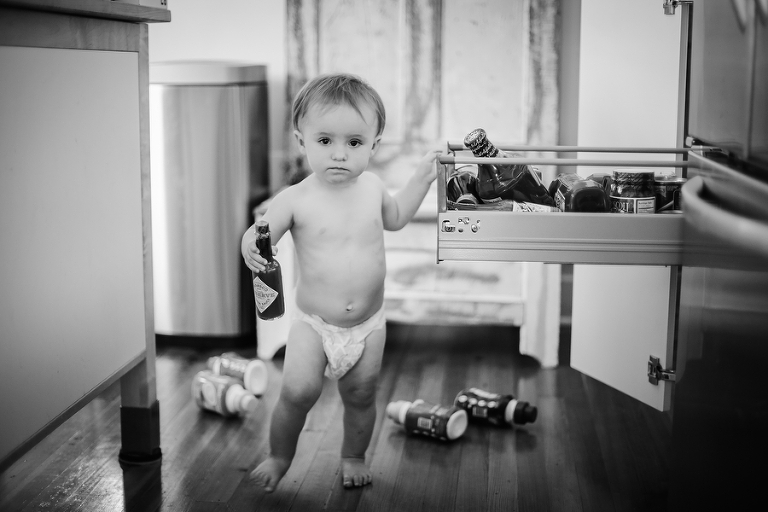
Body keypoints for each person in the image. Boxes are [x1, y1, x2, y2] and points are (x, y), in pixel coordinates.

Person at [241, 73, 441, 492]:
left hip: (368, 326)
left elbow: (398, 218)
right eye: (325, 140)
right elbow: (261, 232)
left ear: (373, 146)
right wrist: (251, 248)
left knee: (362, 395)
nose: (339, 154)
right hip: (314, 324)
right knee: (297, 392)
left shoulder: (372, 187)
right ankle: (279, 456)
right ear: (302, 142)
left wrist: (424, 176)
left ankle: (353, 456)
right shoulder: (295, 199)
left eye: (353, 143)